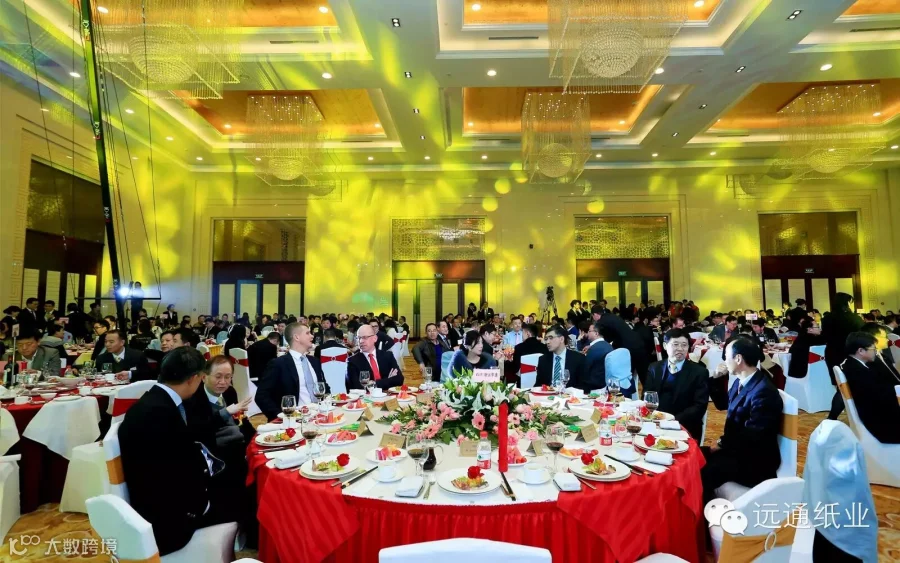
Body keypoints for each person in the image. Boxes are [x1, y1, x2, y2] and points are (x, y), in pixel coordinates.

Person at [118, 347, 241, 556]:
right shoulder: (158, 414)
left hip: (165, 498)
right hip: (170, 520)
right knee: (244, 497)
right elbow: (176, 472)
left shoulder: (157, 400)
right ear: (194, 378)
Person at [702, 336, 783, 503]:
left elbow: (753, 434)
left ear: (738, 359)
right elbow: (722, 404)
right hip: (738, 450)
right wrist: (716, 378)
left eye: (726, 356)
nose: (725, 361)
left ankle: (707, 514)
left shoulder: (763, 391)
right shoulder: (744, 381)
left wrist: (721, 444)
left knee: (704, 469)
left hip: (755, 461)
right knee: (697, 456)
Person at [642, 329, 709, 441]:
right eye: (675, 344)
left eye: (684, 345)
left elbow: (699, 406)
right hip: (655, 423)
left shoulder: (699, 372)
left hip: (684, 426)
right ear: (665, 346)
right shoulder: (654, 368)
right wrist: (657, 419)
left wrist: (672, 421)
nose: (680, 349)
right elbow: (647, 396)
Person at [256, 323, 327, 420]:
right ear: (297, 337)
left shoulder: (314, 361)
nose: (312, 336)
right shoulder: (278, 364)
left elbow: (324, 387)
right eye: (307, 333)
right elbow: (261, 396)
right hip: (294, 419)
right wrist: (281, 417)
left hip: (319, 417)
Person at [840, 331, 900, 443]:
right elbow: (880, 397)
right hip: (882, 424)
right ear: (861, 351)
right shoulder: (857, 371)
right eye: (873, 349)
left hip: (878, 415)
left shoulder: (853, 364)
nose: (876, 352)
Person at [186, 356, 254, 449]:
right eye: (218, 377)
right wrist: (226, 412)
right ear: (204, 377)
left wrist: (257, 438)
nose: (223, 382)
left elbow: (240, 420)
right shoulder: (194, 397)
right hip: (215, 450)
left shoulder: (230, 392)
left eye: (227, 377)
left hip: (240, 444)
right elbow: (200, 430)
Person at [825, 293, 864, 420]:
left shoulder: (827, 318)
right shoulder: (853, 318)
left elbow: (825, 336)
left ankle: (834, 417)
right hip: (849, 353)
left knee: (841, 385)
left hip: (832, 353)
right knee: (847, 385)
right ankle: (833, 417)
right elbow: (861, 335)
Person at [348, 324, 404, 390]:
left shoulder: (387, 356)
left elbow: (399, 379)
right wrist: (388, 380)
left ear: (375, 338)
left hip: (388, 395)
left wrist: (375, 384)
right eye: (358, 338)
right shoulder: (352, 361)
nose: (361, 341)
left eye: (365, 337)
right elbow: (357, 387)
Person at [537, 324, 585, 390]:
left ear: (561, 339)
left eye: (551, 338)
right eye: (546, 339)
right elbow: (538, 385)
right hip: (548, 395)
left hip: (570, 395)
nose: (547, 342)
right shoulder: (543, 360)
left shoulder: (578, 359)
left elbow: (583, 386)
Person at [582, 321, 613, 391]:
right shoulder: (608, 345)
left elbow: (586, 368)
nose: (587, 332)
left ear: (596, 333)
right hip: (606, 382)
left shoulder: (594, 349)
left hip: (594, 385)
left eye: (589, 331)